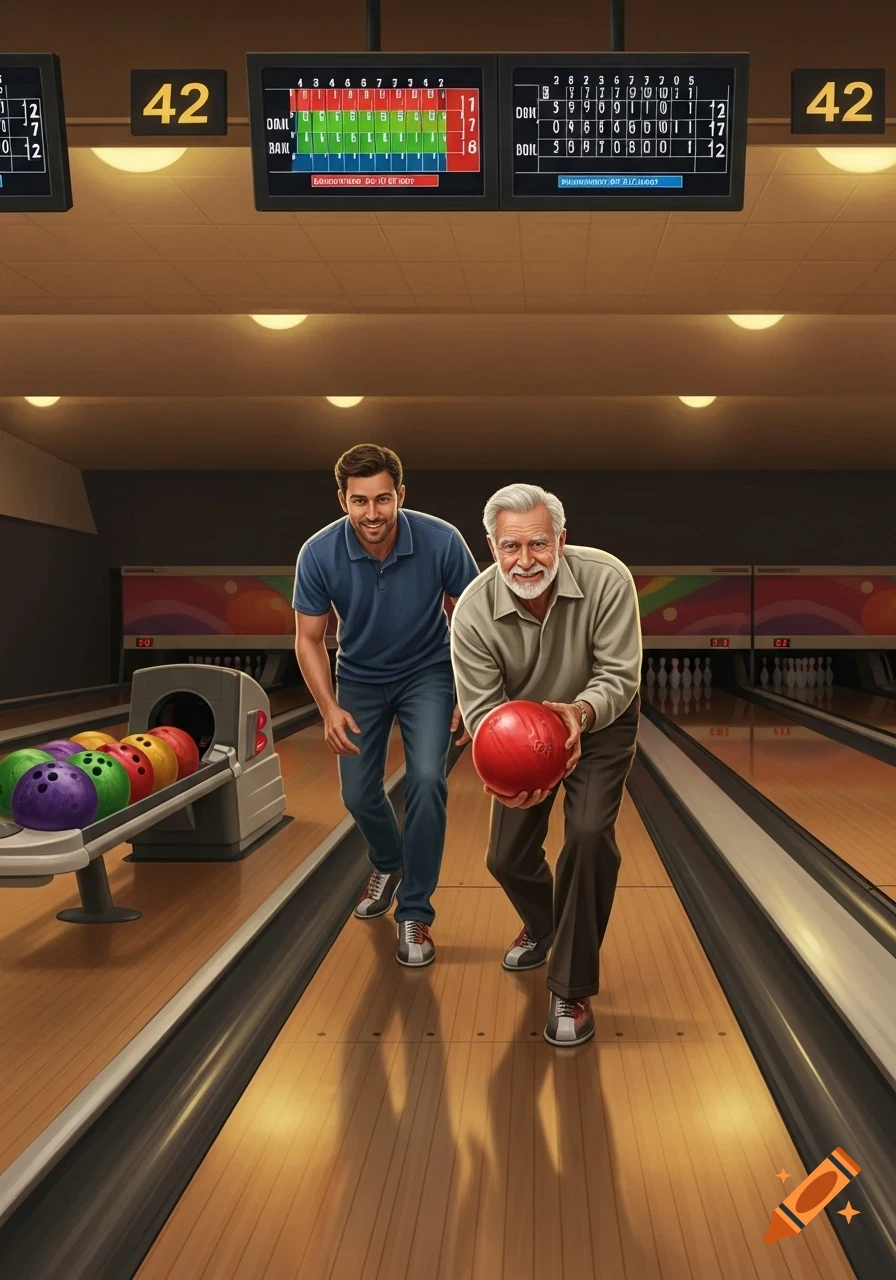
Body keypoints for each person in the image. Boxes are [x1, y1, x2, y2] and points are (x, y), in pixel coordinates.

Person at [449, 483, 641, 1046]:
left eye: (538, 544)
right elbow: (483, 709)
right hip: (519, 734)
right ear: (491, 547)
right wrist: (503, 771)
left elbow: (620, 676)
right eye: (510, 547)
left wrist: (579, 716)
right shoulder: (474, 613)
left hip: (598, 715)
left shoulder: (608, 580)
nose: (525, 560)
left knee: (586, 835)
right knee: (505, 858)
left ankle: (571, 987)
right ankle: (544, 925)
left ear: (561, 539)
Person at [293, 444, 479, 968]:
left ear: (400, 494)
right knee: (357, 795)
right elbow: (308, 638)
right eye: (358, 502)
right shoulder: (319, 553)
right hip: (358, 678)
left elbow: (472, 619)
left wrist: (469, 693)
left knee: (426, 778)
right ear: (342, 500)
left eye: (381, 499)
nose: (371, 514)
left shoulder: (442, 540)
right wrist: (328, 707)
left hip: (429, 673)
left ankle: (414, 910)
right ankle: (388, 859)